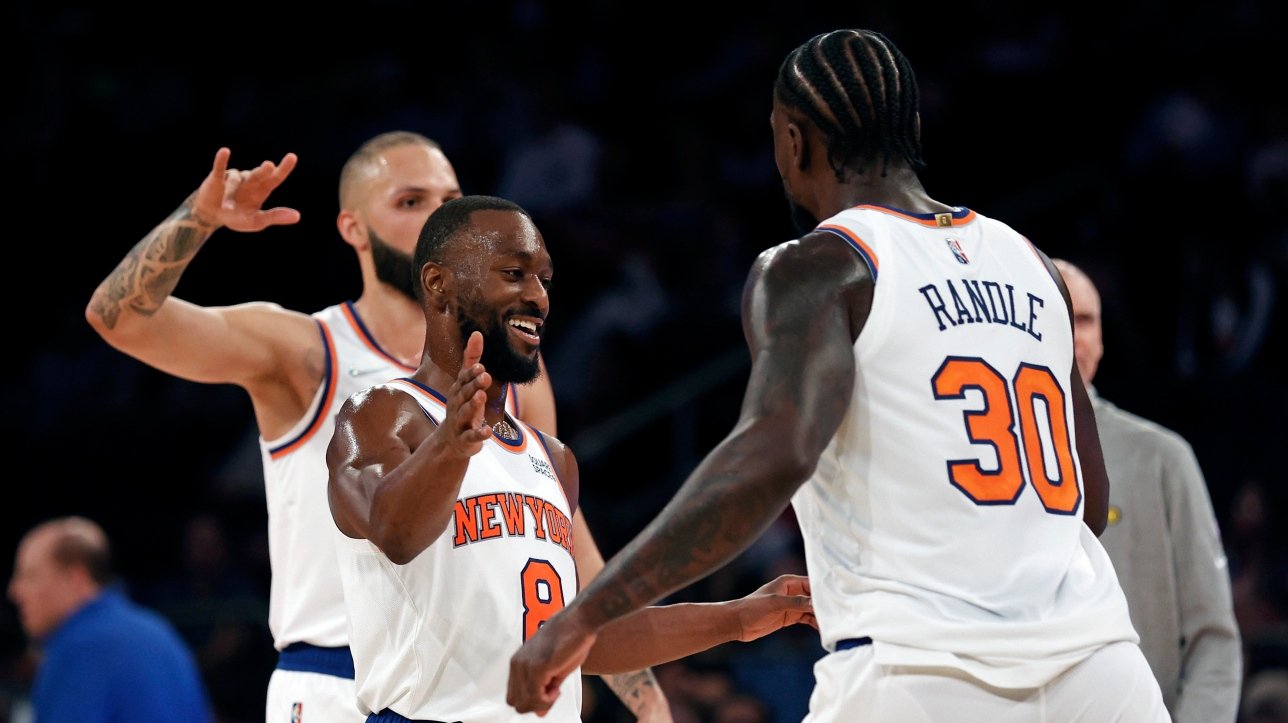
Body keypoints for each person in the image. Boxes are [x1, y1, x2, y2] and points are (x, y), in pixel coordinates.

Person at [507, 28, 1171, 722]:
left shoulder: (817, 266)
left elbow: (769, 460)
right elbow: (1088, 502)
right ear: (913, 130)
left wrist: (586, 614)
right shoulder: (1032, 262)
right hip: (1103, 672)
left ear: (793, 143)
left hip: (923, 675)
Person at [84, 132, 671, 722]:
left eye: (449, 199)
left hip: (476, 694)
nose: (436, 215)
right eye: (410, 201)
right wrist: (199, 218)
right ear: (353, 228)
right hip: (335, 685)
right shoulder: (308, 349)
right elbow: (120, 319)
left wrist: (648, 702)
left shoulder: (519, 379)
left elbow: (566, 546)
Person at [326, 194, 816, 722]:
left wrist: (739, 618)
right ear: (438, 283)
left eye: (544, 280)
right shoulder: (381, 414)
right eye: (514, 274)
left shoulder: (554, 459)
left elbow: (588, 638)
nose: (538, 297)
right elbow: (395, 532)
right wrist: (451, 446)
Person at [1052, 258, 1243, 722]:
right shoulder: (976, 459)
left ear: (1102, 338)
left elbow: (1214, 640)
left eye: (1085, 320)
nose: (1072, 336)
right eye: (1056, 316)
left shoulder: (1160, 458)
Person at [8, 516, 214, 722]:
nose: (14, 591)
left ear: (75, 578)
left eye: (30, 576)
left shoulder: (79, 648)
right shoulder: (160, 632)